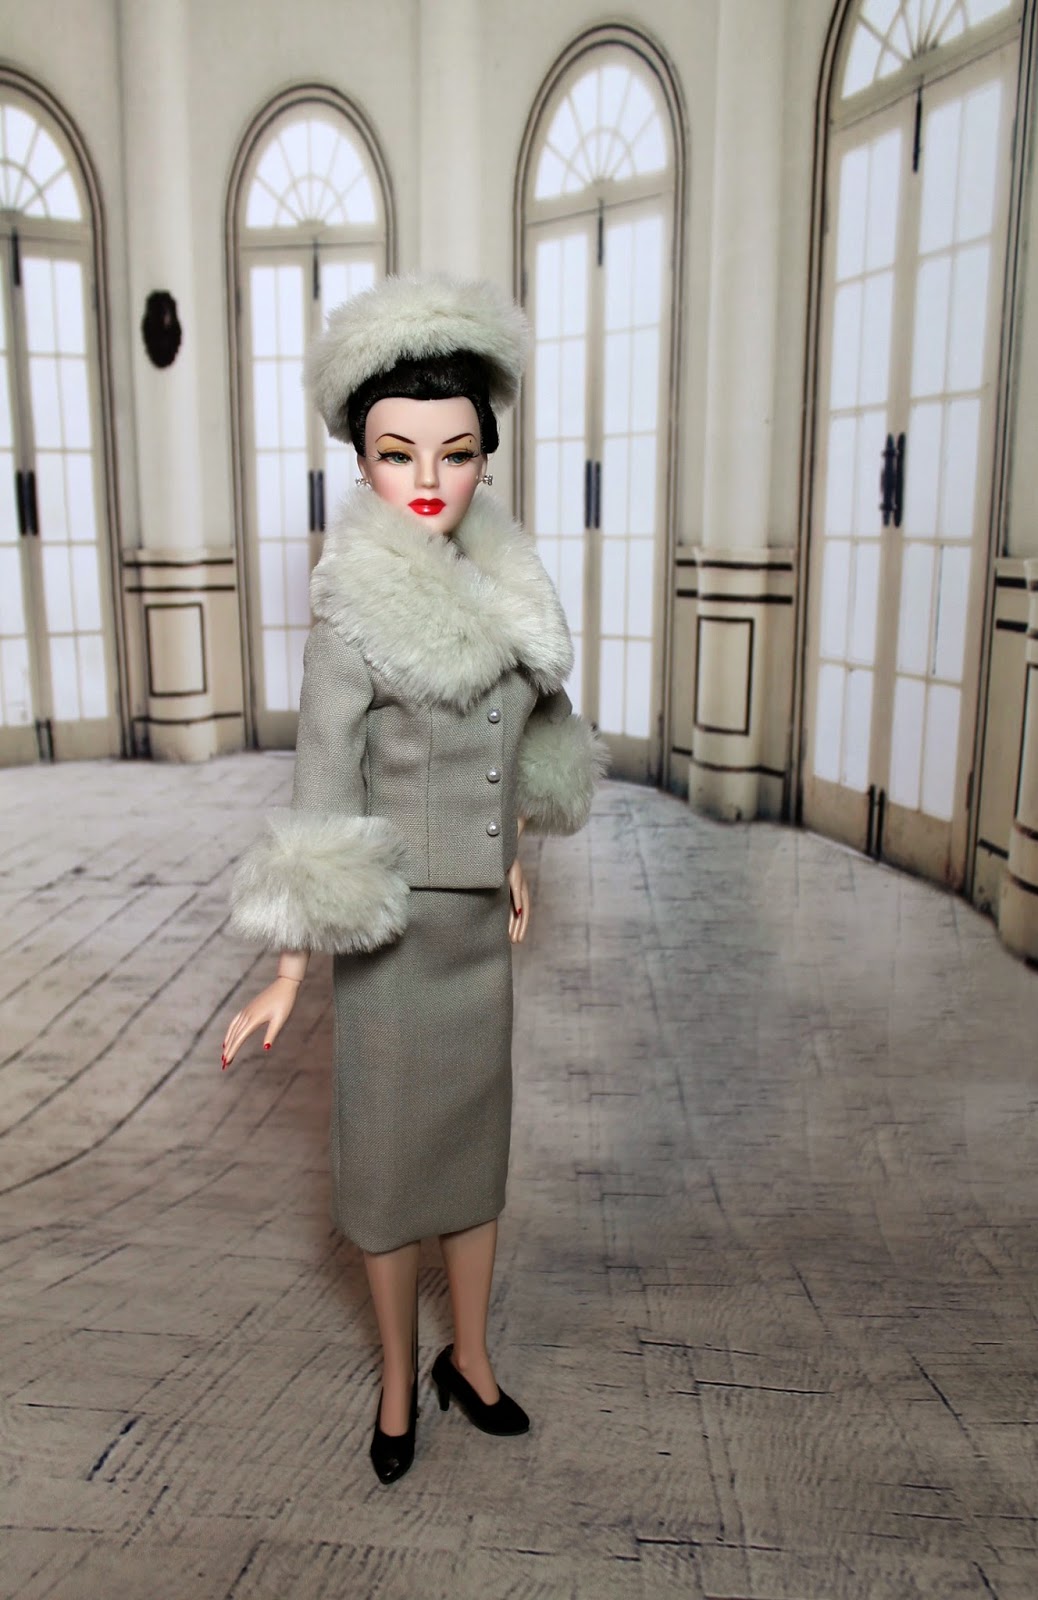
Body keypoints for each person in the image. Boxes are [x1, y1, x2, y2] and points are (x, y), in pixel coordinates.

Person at [221, 273, 606, 1484]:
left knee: (473, 1161)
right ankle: (397, 1380)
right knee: (388, 1177)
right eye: (398, 453)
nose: (428, 478)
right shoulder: (352, 614)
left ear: (487, 458)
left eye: (455, 452)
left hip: (478, 930)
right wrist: (293, 966)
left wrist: (515, 847)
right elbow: (321, 786)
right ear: (362, 461)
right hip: (390, 939)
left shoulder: (514, 594)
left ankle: (469, 1359)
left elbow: (531, 737)